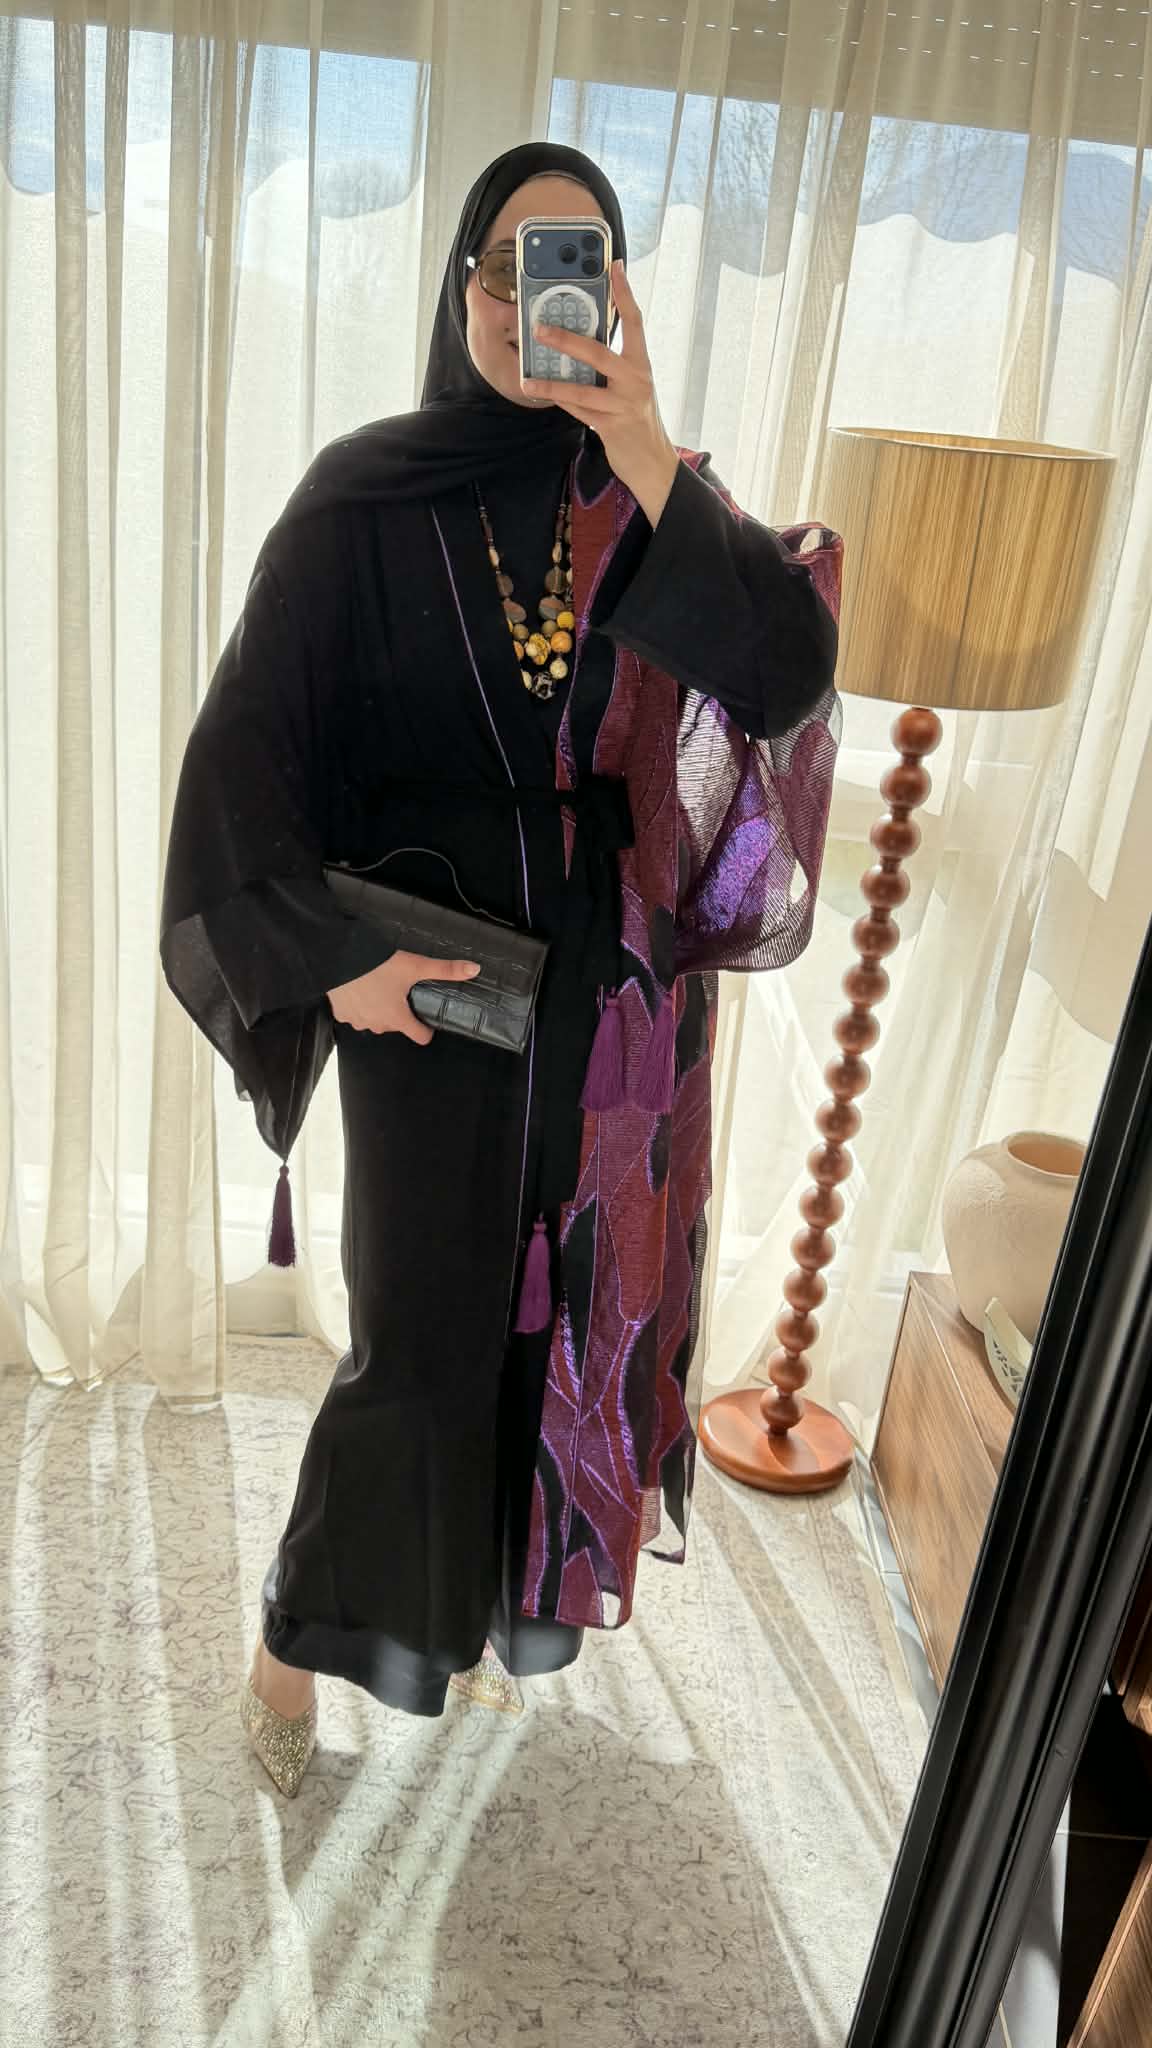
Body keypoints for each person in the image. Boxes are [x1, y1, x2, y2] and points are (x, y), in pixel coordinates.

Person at [159, 142, 843, 1797]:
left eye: (579, 266)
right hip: (429, 987)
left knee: (561, 1338)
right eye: (508, 269)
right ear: (464, 287)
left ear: (616, 296)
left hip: (608, 1012)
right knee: (416, 1348)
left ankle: (473, 1620)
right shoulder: (360, 498)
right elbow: (238, 772)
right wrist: (335, 967)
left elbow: (788, 671)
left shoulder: (650, 494)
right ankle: (291, 1649)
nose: (537, 303)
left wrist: (645, 447)